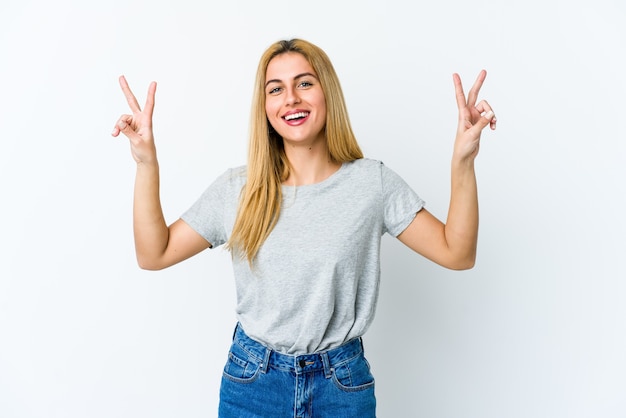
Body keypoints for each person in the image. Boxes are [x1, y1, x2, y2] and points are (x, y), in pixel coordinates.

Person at [111, 38, 496, 418]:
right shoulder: (237, 190)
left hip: (341, 387)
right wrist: (146, 164)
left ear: (327, 93)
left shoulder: (371, 184)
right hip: (252, 384)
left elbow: (457, 253)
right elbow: (154, 253)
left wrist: (464, 160)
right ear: (265, 108)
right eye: (275, 89)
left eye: (305, 83)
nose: (291, 98)